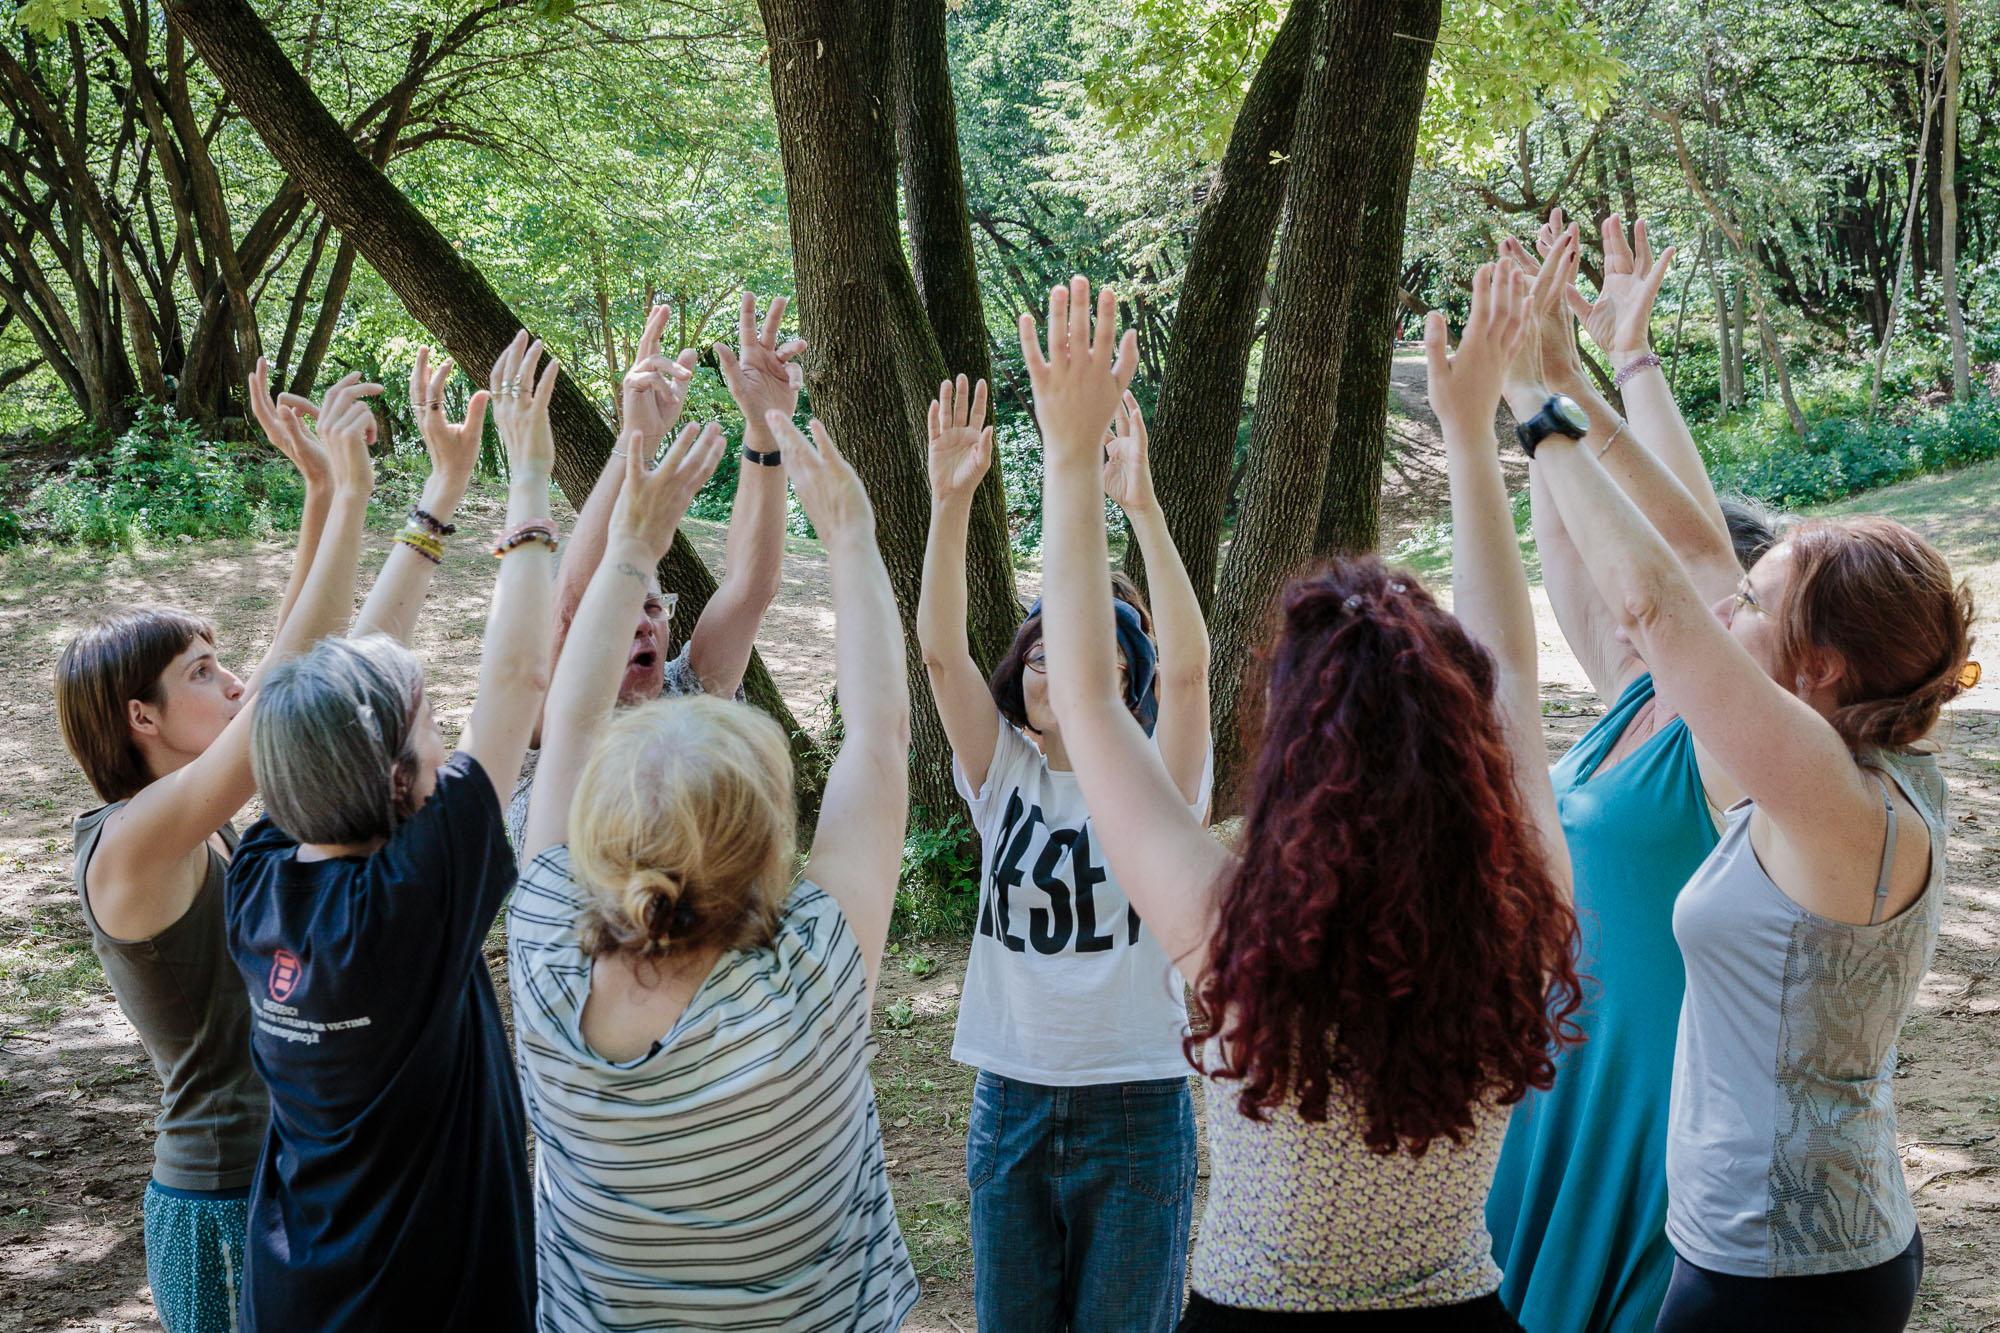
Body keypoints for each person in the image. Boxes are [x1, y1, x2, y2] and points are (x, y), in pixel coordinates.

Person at [1031, 266, 1583, 1329]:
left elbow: (1092, 703)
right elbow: (1507, 669)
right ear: (1462, 735)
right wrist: (1471, 437)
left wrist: (1066, 458)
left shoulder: (1227, 929)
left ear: (1286, 742)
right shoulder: (1521, 900)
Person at [1521, 274, 1976, 1331]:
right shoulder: (1854, 760)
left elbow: (1657, 595)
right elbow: (1690, 557)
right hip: (1771, 1245)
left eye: (1756, 603)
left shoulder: (1827, 793)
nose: (1728, 598)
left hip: (1785, 1267)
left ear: (1814, 665)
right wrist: (1580, 379)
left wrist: (1538, 417)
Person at [51, 354, 472, 1332]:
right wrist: (363, 497)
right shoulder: (127, 849)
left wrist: (324, 495)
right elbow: (290, 688)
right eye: (203, 671)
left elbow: (290, 661)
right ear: (140, 717)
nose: (234, 681)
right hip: (218, 1199)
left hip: (278, 1174)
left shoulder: (193, 818)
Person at [508, 405, 919, 1330]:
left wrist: (630, 550)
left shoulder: (542, 955)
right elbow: (881, 738)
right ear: (774, 842)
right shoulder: (813, 981)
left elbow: (568, 723)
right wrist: (851, 535)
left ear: (595, 835)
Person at [223, 331, 563, 1330]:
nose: (451, 737)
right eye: (431, 729)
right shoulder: (409, 903)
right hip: (426, 1306)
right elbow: (518, 678)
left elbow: (330, 689)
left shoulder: (260, 873)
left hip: (296, 1294)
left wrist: (436, 500)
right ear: (399, 781)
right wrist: (529, 475)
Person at [1482, 215, 1775, 1332]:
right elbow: (1564, 535)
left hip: (1653, 1100)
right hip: (1559, 1071)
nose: (1617, 590)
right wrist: (1555, 374)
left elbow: (1697, 559)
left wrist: (1592, 376)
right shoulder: (1623, 697)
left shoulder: (1731, 738)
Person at [918, 370, 1211, 1329]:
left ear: (1124, 680)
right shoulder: (1002, 771)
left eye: (1087, 656)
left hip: (1137, 1105)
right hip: (1011, 1101)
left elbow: (1191, 666)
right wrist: (950, 504)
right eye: (1037, 650)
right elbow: (938, 653)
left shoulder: (1156, 783)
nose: (1056, 664)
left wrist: (1146, 508)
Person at [504, 293, 801, 849]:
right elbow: (570, 610)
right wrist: (634, 441)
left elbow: (751, 588)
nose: (642, 624)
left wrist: (766, 433)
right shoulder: (539, 714)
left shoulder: (688, 690)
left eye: (653, 605)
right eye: (620, 609)